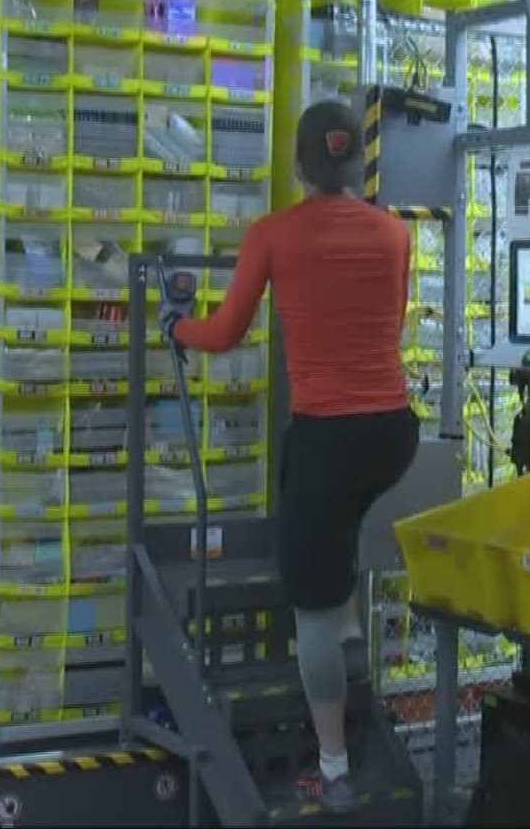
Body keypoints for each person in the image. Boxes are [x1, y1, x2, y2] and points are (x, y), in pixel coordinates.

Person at [164, 98, 420, 812]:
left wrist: (176, 326)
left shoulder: (273, 235)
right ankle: (349, 643)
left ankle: (334, 768)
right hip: (394, 432)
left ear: (298, 164)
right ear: (353, 163)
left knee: (309, 602)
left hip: (328, 436)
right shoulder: (396, 234)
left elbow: (226, 333)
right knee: (336, 554)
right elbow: (390, 324)